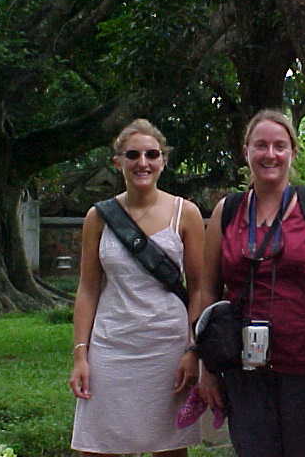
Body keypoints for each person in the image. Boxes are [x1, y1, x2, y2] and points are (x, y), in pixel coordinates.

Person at [198, 109, 305, 457]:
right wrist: (204, 363)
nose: (270, 154)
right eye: (260, 145)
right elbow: (206, 289)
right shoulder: (228, 211)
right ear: (246, 150)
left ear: (292, 152)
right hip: (243, 365)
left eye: (280, 146)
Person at [68, 119, 204, 456]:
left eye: (151, 154)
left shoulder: (184, 214)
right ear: (118, 162)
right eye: (133, 155)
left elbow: (200, 289)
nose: (142, 163)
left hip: (167, 348)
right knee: (97, 446)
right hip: (111, 346)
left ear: (163, 160)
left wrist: (193, 349)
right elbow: (87, 289)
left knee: (169, 447)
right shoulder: (98, 217)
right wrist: (81, 356)